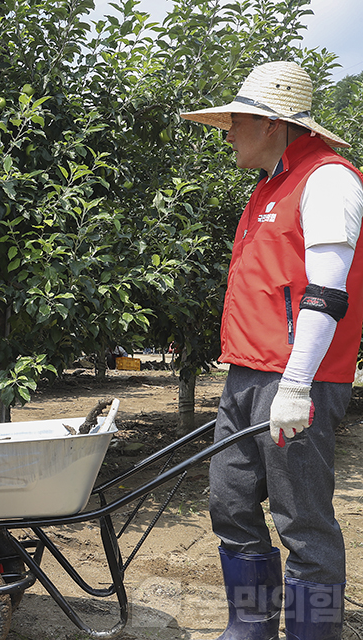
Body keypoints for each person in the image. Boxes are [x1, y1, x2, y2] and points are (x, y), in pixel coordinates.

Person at [181, 61, 363, 640]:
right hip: (246, 376)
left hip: (295, 382)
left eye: (236, 120)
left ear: (272, 124)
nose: (227, 130)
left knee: (302, 523)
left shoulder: (328, 180)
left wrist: (295, 385)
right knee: (230, 504)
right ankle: (251, 626)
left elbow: (327, 293)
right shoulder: (269, 186)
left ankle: (313, 634)